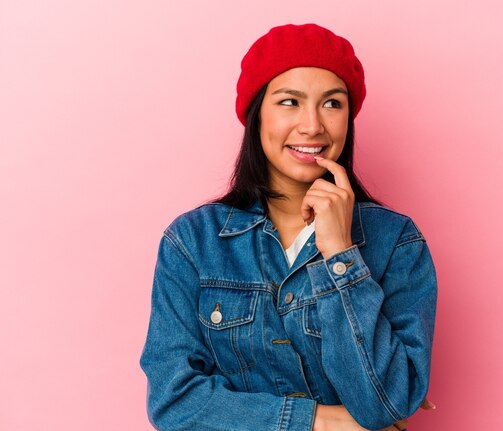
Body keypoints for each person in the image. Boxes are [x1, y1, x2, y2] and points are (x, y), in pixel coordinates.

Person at [140, 23, 437, 431]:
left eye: (332, 104)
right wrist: (324, 422)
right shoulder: (193, 242)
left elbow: (388, 403)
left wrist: (340, 253)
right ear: (256, 113)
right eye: (289, 102)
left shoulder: (395, 242)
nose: (313, 125)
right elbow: (175, 401)